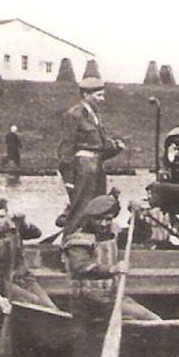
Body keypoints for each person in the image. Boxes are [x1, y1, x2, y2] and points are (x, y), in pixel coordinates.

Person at [62, 195, 161, 321]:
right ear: (90, 218)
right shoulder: (78, 240)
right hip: (88, 300)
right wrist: (113, 269)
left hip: (111, 297)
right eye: (98, 219)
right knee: (150, 319)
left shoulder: (113, 233)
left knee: (153, 318)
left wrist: (137, 216)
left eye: (108, 219)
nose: (103, 224)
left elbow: (143, 234)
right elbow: (80, 268)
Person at [55, 76, 125, 240]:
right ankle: (70, 246)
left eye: (102, 95)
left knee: (98, 209)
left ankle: (94, 246)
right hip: (84, 169)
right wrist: (69, 180)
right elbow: (66, 149)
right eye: (98, 95)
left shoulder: (95, 116)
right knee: (80, 209)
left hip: (97, 167)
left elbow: (100, 146)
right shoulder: (74, 115)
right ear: (86, 95)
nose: (102, 99)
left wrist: (115, 147)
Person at [0, 197, 57, 314]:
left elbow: (36, 234)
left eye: (2, 216)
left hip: (24, 277)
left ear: (7, 216)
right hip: (2, 281)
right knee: (34, 302)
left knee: (50, 307)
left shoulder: (13, 228)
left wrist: (24, 222)